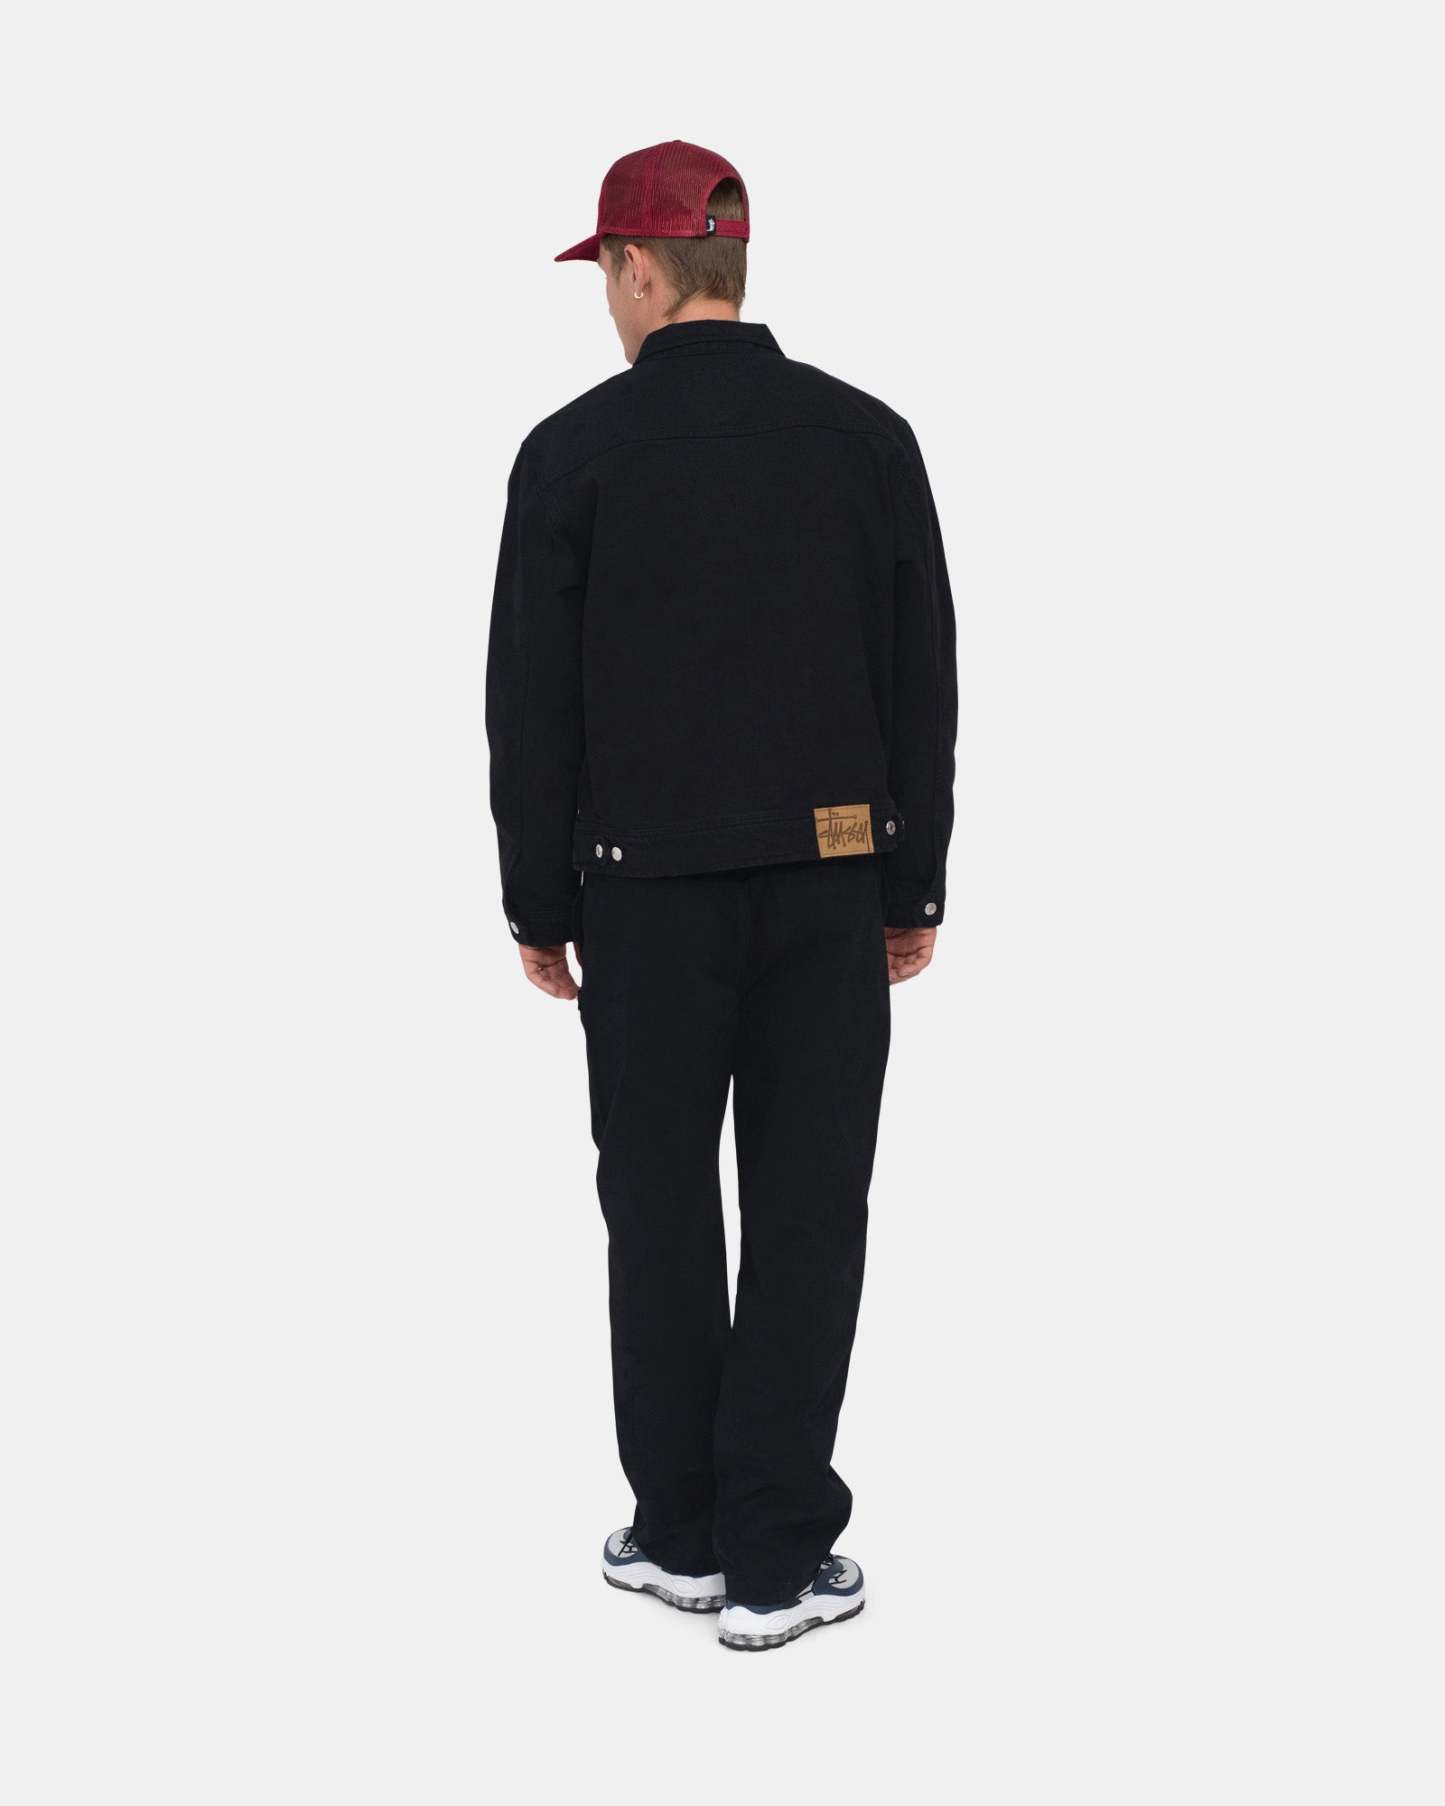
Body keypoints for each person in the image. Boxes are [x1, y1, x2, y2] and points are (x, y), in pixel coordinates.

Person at [485, 140, 957, 1651]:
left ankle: (680, 1532)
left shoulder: (573, 452)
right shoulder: (866, 439)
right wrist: (912, 880)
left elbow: (531, 706)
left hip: (641, 900)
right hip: (829, 882)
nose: (606, 303)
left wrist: (535, 901)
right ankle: (774, 1554)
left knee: (660, 1207)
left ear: (638, 266)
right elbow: (921, 680)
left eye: (605, 276)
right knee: (812, 1209)